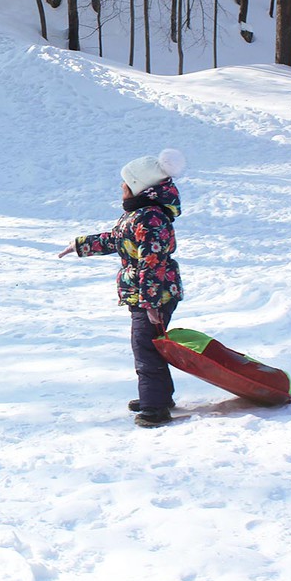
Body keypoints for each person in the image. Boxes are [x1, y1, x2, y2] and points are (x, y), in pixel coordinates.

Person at [59, 149, 186, 427]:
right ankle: (158, 396)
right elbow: (115, 239)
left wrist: (151, 303)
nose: (121, 187)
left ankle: (155, 408)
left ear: (139, 187)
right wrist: (80, 245)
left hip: (154, 295)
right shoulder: (140, 216)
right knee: (150, 345)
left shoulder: (149, 219)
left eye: (126, 183)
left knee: (146, 348)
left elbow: (152, 263)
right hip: (149, 293)